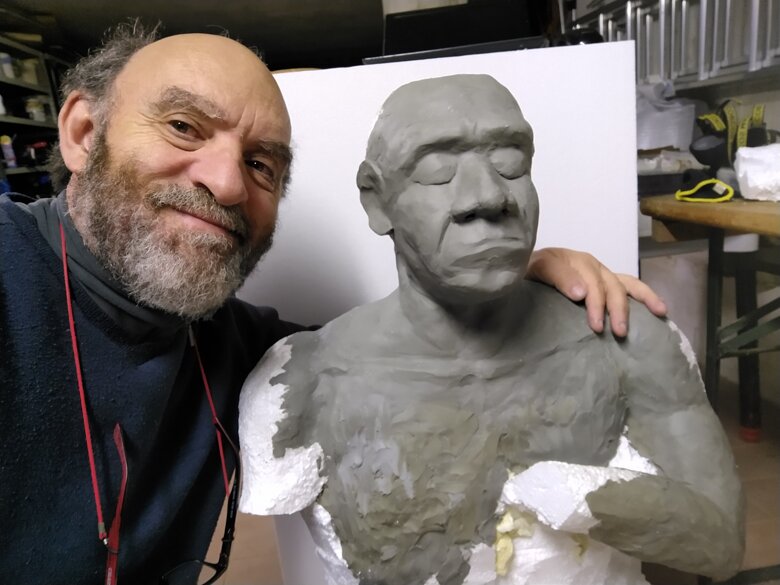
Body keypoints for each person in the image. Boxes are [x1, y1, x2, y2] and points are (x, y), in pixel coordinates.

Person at [0, 24, 665, 585]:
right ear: (83, 132)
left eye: (261, 164)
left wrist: (512, 281)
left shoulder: (234, 345)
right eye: (183, 127)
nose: (228, 183)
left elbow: (393, 351)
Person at [238, 74, 744, 585]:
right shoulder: (303, 385)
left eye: (510, 161)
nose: (487, 196)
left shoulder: (627, 339)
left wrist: (581, 496)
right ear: (377, 200)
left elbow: (720, 542)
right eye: (437, 170)